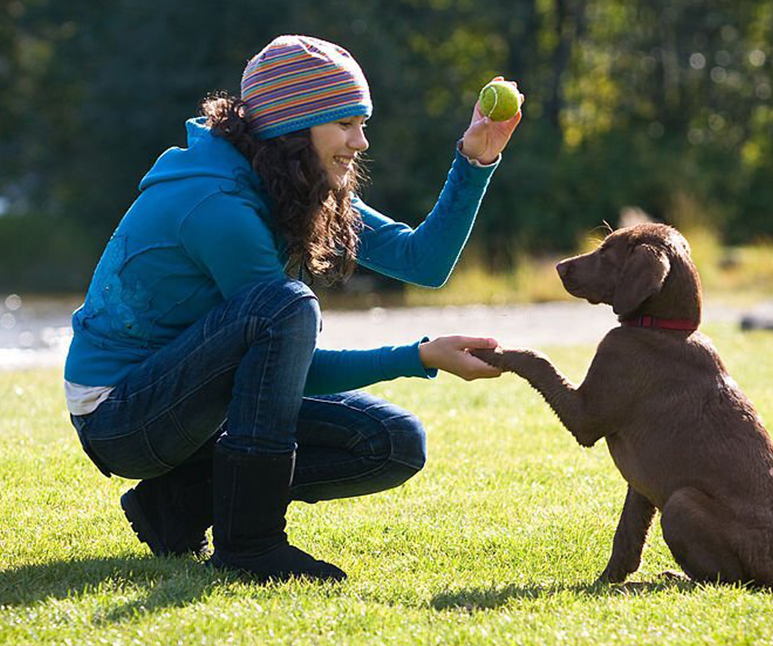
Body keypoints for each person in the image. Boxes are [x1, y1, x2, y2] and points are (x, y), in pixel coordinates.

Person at [64, 35, 523, 582]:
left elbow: (421, 261)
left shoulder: (292, 181)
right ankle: (250, 545)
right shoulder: (218, 205)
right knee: (285, 307)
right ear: (293, 127)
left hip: (197, 405)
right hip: (121, 416)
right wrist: (418, 355)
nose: (361, 141)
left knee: (393, 443)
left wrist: (477, 157)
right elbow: (292, 359)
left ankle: (178, 505)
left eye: (361, 122)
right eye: (345, 123)